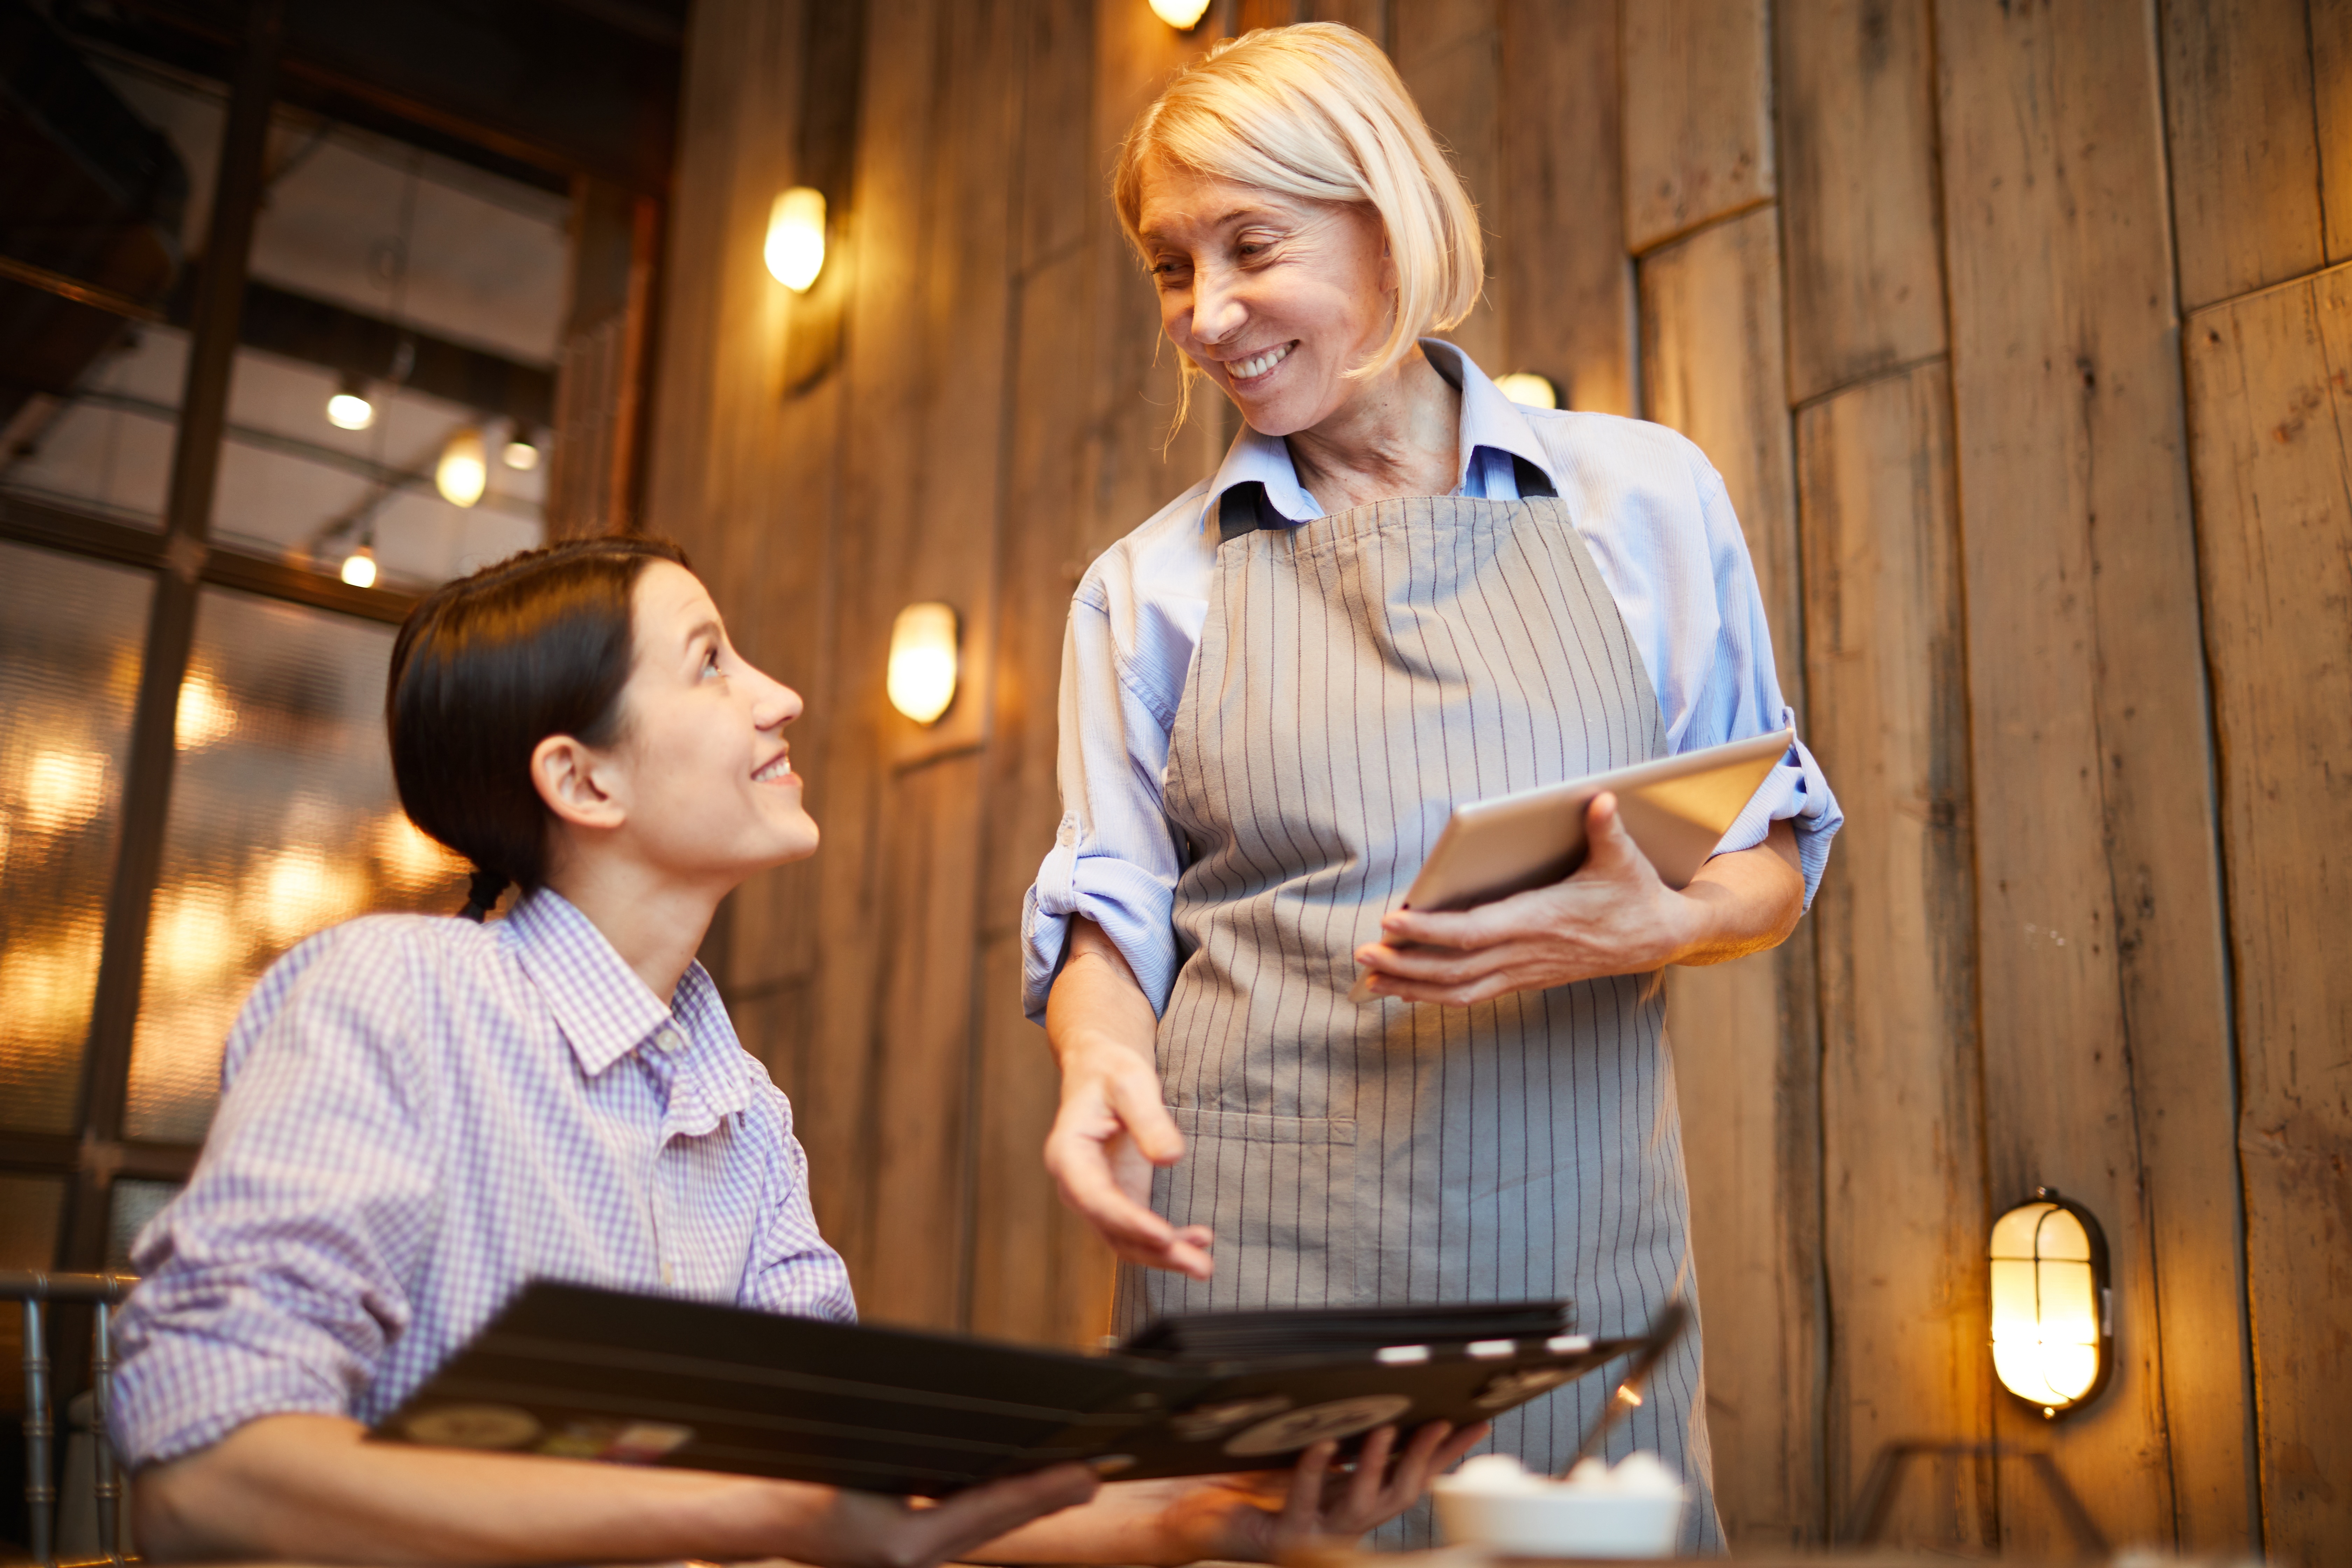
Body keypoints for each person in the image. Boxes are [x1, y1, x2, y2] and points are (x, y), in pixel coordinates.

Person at [110, 536, 1483, 1566]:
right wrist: (783, 1508)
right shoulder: (390, 995)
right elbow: (206, 1466)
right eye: (711, 661)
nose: (780, 697)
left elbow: (857, 1477)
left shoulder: (733, 1098)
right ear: (581, 779)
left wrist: (1218, 1502)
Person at [1022, 23, 1843, 1553]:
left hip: (1572, 1258)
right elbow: (1112, 913)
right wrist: (1094, 1066)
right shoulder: (1146, 589)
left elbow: (1775, 848)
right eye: (1169, 268)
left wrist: (1643, 927)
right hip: (1254, 1258)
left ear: (1385, 214)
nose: (1206, 316)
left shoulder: (1643, 498)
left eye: (1252, 246)